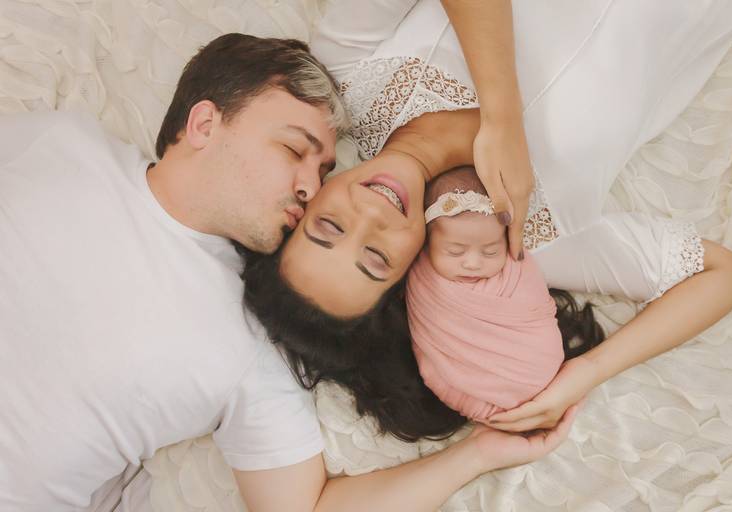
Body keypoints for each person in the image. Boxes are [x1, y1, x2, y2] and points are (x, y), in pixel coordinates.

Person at [0, 32, 580, 512]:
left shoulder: (249, 336)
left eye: (324, 168)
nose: (311, 185)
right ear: (204, 125)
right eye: (293, 149)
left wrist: (478, 454)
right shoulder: (60, 140)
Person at [240, 0, 732, 449]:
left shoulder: (348, 71)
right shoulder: (525, 242)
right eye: (376, 258)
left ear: (306, 201)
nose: (371, 216)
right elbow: (728, 275)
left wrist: (502, 117)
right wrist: (584, 373)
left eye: (329, 227)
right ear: (406, 275)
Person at [405, 165, 604, 421]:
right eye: (455, 251)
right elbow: (428, 345)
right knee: (437, 369)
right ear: (428, 242)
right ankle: (492, 411)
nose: (473, 263)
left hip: (537, 368)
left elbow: (537, 310)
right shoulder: (424, 283)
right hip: (463, 384)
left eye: (491, 252)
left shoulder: (517, 270)